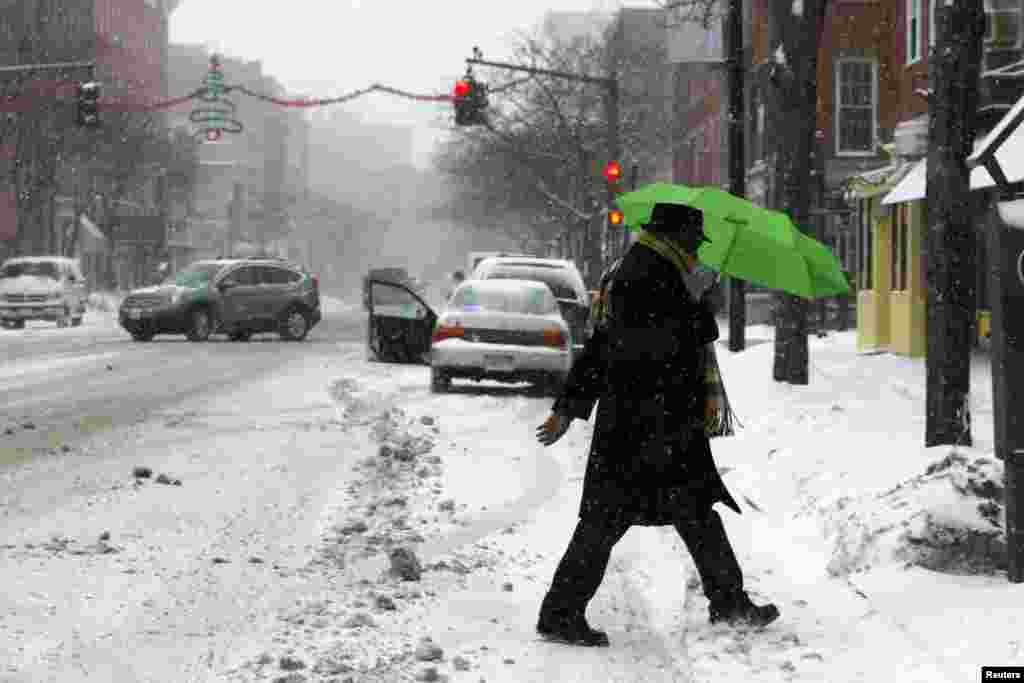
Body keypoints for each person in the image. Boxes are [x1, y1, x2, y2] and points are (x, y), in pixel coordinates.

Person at [534, 202, 778, 648]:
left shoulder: (647, 270)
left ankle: (729, 601)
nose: (697, 251)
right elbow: (656, 345)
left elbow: (606, 345)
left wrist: (569, 407)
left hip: (653, 424)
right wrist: (697, 300)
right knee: (610, 521)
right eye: (693, 242)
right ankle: (560, 612)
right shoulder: (648, 276)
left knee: (692, 514)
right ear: (675, 237)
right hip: (647, 426)